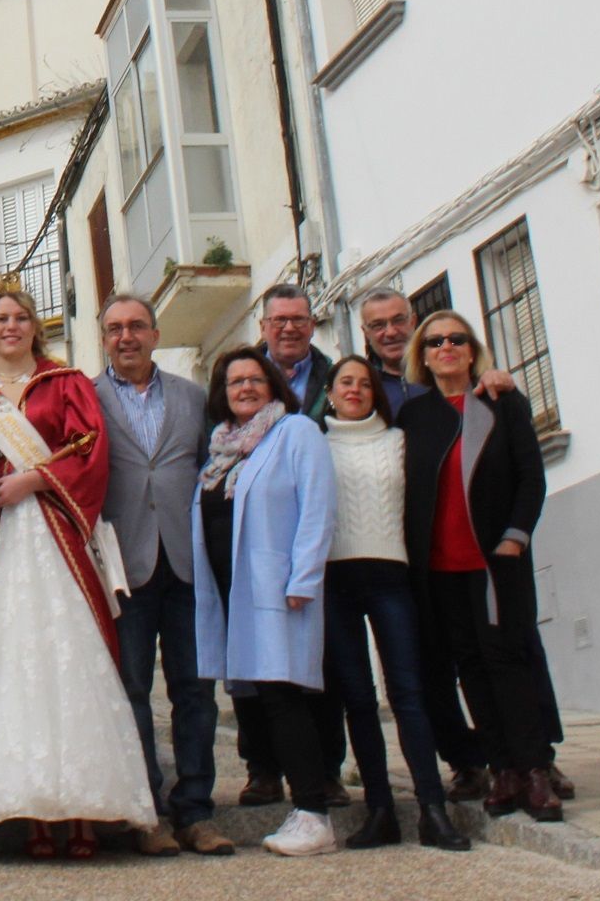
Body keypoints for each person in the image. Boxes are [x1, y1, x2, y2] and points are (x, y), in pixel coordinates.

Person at [0, 288, 156, 858]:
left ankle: (83, 811)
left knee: (70, 660)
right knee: (16, 665)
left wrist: (33, 480)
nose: (11, 326)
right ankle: (34, 811)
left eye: (21, 318)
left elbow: (91, 452)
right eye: (0, 318)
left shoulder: (66, 383)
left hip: (55, 533)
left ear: (37, 326)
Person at [358, 287, 570, 803]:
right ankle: (500, 770)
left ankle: (536, 768)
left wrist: (515, 539)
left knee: (511, 661)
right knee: (471, 668)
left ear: (472, 349)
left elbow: (530, 477)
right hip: (440, 570)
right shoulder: (413, 416)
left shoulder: (501, 401)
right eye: (435, 343)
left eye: (455, 339)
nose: (444, 348)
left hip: (496, 562)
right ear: (421, 356)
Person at [93, 291, 232, 857]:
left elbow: (212, 469)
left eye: (136, 327)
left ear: (154, 333)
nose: (126, 337)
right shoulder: (87, 397)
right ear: (104, 338)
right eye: (115, 329)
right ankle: (146, 811)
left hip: (186, 563)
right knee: (130, 691)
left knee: (196, 692)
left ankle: (196, 811)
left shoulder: (194, 397)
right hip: (123, 565)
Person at [318, 356, 468, 852]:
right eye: (346, 382)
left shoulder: (399, 441)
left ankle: (432, 808)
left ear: (375, 393)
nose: (356, 390)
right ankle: (380, 809)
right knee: (357, 699)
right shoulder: (314, 445)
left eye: (364, 383)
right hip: (335, 582)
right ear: (331, 391)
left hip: (392, 578)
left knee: (408, 693)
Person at [192, 347, 337, 857]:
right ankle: (297, 803)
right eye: (235, 383)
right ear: (223, 395)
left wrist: (304, 578)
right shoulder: (220, 450)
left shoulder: (295, 433)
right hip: (234, 595)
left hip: (279, 591)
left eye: (255, 379)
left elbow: (318, 508)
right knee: (255, 697)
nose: (246, 388)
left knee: (284, 695)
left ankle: (314, 812)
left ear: (274, 385)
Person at [239, 284, 345, 809]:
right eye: (278, 319)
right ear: (262, 326)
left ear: (312, 325)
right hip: (255, 546)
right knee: (254, 667)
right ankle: (262, 770)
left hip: (320, 542)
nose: (288, 328)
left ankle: (327, 771)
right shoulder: (241, 378)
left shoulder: (334, 377)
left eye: (298, 319)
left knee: (320, 666)